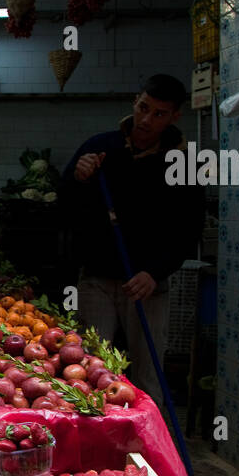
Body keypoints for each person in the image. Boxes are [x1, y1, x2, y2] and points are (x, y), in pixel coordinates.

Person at [58, 74, 205, 414]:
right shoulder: (101, 147)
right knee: (89, 370)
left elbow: (189, 229)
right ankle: (95, 448)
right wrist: (78, 178)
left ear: (174, 117)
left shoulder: (185, 162)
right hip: (97, 278)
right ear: (134, 102)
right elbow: (64, 204)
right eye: (143, 108)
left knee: (147, 375)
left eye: (159, 114)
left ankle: (149, 451)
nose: (146, 120)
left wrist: (155, 272)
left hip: (148, 285)